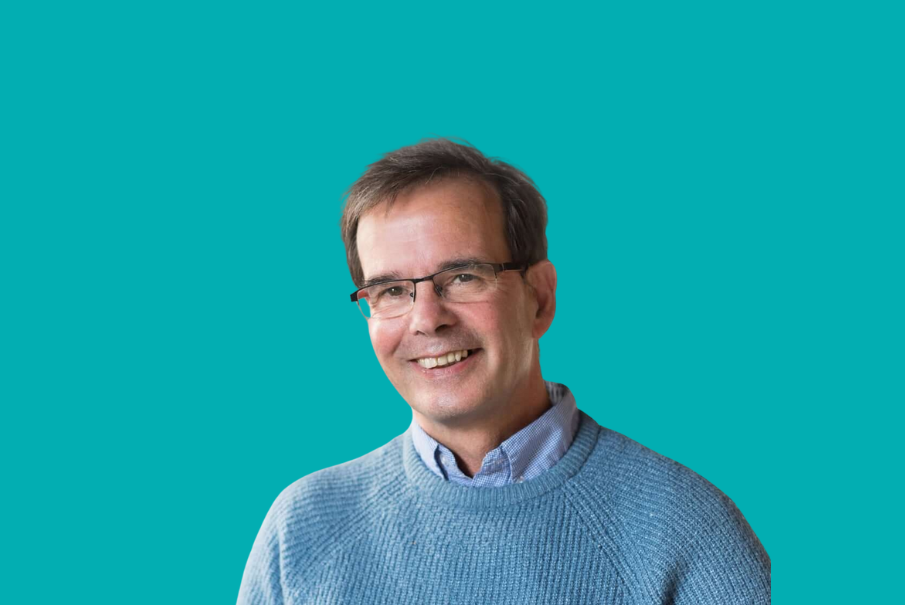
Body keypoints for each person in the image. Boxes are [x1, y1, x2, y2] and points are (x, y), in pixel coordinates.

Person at [237, 138, 771, 604]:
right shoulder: (302, 530)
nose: (427, 320)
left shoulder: (688, 532)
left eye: (464, 277)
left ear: (539, 298)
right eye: (392, 291)